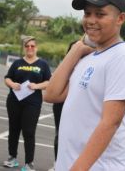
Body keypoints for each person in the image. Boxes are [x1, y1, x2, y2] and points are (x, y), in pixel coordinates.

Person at [44, 0, 125, 170]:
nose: (90, 20)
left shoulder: (122, 57)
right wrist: (77, 48)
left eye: (100, 14)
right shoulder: (90, 56)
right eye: (87, 14)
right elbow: (52, 94)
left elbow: (110, 122)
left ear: (120, 18)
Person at [3, 36, 51, 170]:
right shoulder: (17, 63)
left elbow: (49, 82)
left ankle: (29, 163)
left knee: (29, 131)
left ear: (36, 48)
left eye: (32, 46)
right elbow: (7, 78)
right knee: (14, 129)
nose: (30, 48)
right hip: (14, 101)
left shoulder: (43, 64)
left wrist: (37, 86)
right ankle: (12, 157)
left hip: (33, 103)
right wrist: (12, 84)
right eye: (27, 46)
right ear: (24, 48)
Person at [47, 41, 77, 171]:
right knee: (60, 134)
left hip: (77, 106)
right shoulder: (65, 67)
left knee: (75, 136)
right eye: (73, 50)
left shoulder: (88, 65)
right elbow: (52, 87)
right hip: (60, 104)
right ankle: (57, 163)